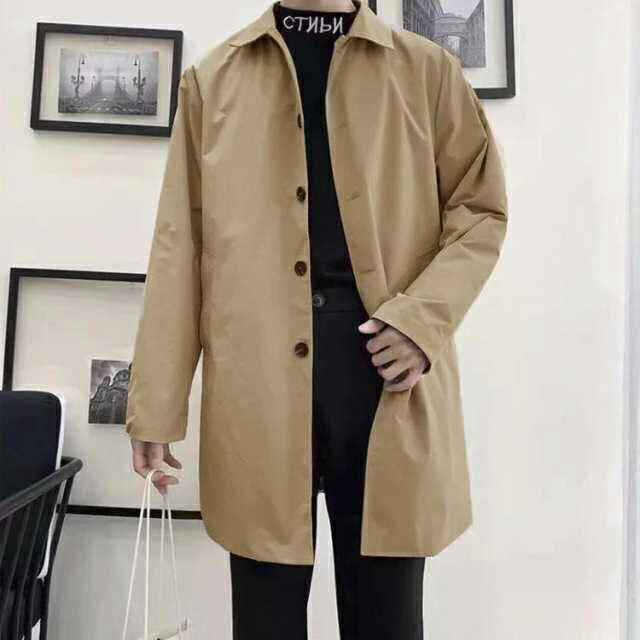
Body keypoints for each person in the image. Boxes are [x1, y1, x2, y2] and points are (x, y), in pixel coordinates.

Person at [125, 1, 508, 638]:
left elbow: (480, 212)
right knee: (265, 615)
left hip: (384, 376)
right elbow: (179, 248)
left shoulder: (426, 71)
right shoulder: (213, 80)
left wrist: (421, 322)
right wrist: (156, 406)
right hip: (257, 385)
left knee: (386, 615)